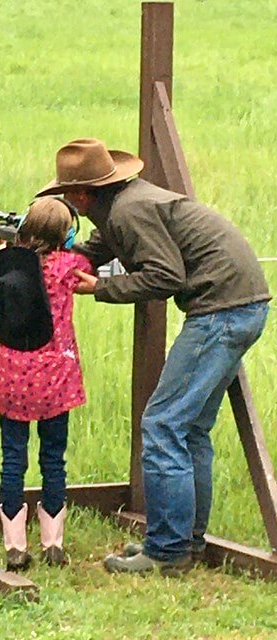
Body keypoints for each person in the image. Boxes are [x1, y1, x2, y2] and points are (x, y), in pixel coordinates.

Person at [36, 137, 271, 575]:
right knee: (191, 428)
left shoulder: (128, 211)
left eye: (67, 194)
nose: (66, 201)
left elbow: (164, 276)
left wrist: (100, 288)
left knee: (163, 425)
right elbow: (95, 251)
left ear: (82, 194)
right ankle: (184, 541)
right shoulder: (122, 206)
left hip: (221, 311)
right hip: (237, 305)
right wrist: (38, 252)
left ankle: (166, 551)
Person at [0, 197, 93, 570]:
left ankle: (14, 547)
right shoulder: (70, 266)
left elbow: (1, 268)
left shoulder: (14, 266)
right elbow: (87, 261)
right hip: (57, 379)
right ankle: (53, 544)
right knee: (53, 460)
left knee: (13, 460)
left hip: (13, 374)